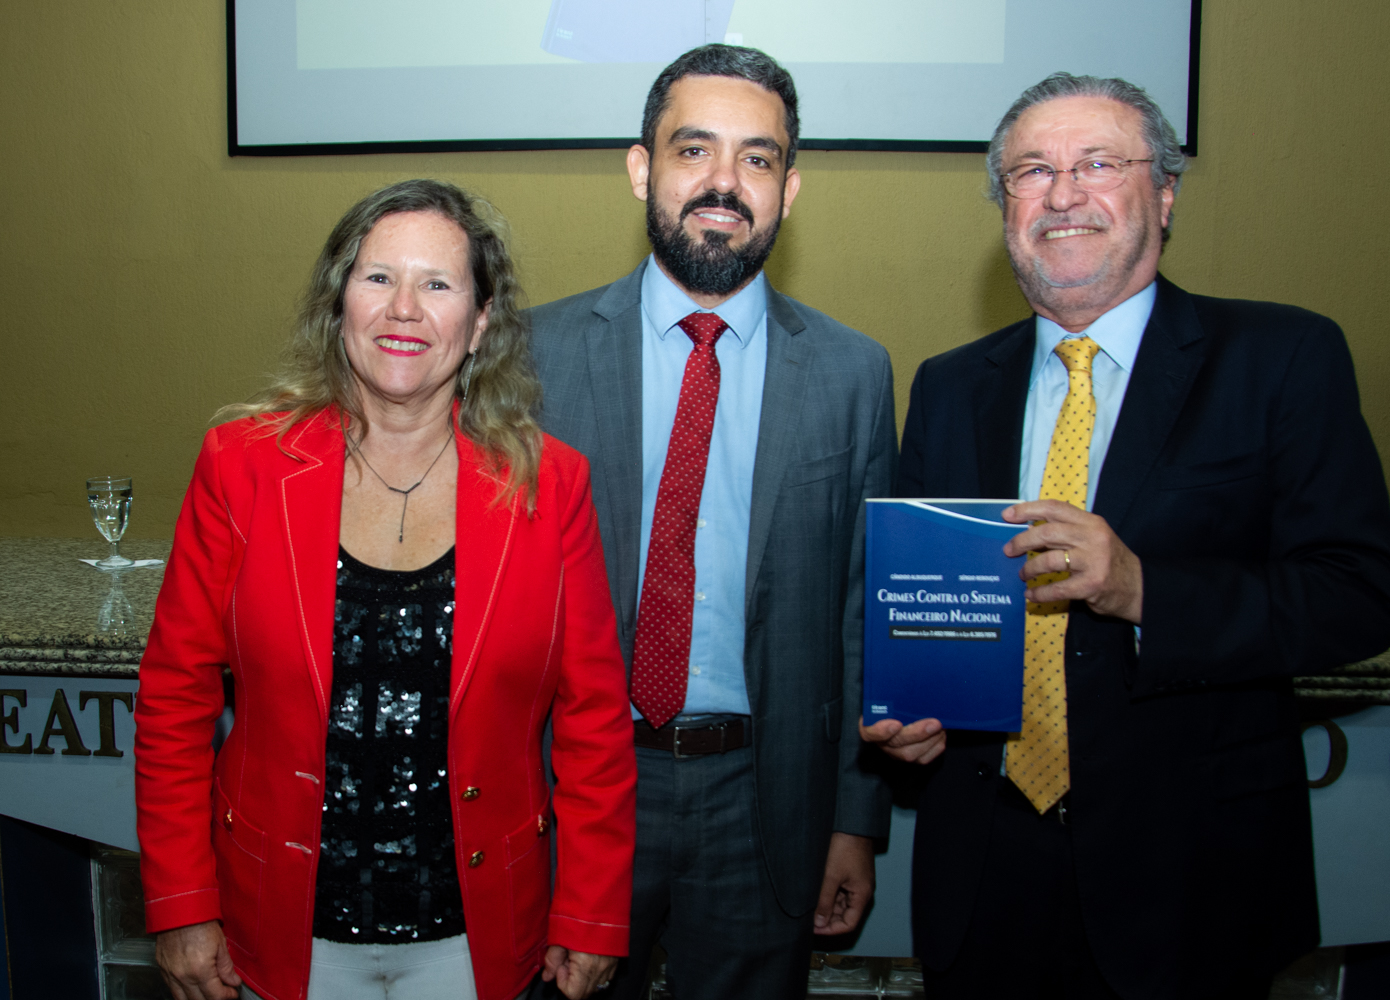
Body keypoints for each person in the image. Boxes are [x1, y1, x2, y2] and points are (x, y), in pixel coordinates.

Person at [862, 73, 1390, 999]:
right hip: (985, 873)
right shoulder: (950, 385)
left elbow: (1360, 594)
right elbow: (923, 612)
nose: (1063, 194)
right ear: (1005, 208)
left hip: (1191, 876)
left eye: (1098, 164)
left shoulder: (1280, 357)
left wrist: (1145, 590)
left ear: (1164, 194)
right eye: (1033, 171)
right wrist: (908, 727)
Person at [133, 179, 635, 1000]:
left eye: (437, 284)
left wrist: (590, 912)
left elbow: (595, 724)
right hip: (277, 927)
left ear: (480, 323)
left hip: (475, 934)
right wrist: (181, 904)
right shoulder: (240, 468)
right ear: (340, 305)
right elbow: (172, 699)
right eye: (378, 278)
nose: (404, 309)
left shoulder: (550, 485)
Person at [528, 44, 897, 1000]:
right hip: (578, 787)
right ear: (641, 168)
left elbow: (861, 614)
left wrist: (855, 820)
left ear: (789, 190)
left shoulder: (854, 374)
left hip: (764, 797)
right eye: (694, 150)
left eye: (757, 158)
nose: (724, 182)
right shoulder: (533, 358)